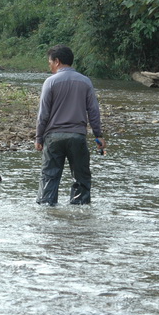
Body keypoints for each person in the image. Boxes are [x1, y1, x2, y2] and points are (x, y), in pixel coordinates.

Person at [35, 45, 105, 206]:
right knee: (81, 178)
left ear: (57, 61)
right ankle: (79, 215)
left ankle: (47, 213)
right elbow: (93, 111)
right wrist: (98, 135)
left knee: (49, 177)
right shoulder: (85, 81)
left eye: (50, 62)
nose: (50, 66)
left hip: (53, 138)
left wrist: (38, 138)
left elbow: (43, 114)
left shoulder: (50, 82)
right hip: (77, 136)